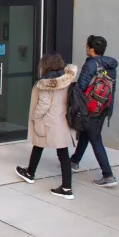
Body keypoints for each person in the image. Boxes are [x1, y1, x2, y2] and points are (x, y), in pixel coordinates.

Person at [16, 53, 78, 199]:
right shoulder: (66, 79)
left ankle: (64, 187)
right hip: (62, 120)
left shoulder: (45, 82)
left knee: (40, 144)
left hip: (48, 121)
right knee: (61, 153)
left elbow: (44, 104)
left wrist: (34, 117)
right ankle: (63, 185)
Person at [70, 35, 118, 187]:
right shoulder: (111, 65)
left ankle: (108, 175)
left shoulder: (91, 64)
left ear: (91, 49)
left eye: (87, 46)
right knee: (87, 133)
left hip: (90, 107)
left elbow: (81, 87)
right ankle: (74, 161)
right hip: (103, 107)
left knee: (95, 138)